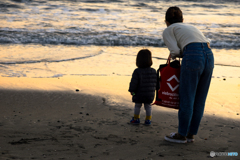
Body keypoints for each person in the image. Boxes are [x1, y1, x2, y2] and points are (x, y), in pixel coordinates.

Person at [162, 6, 214, 143]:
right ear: (182, 19)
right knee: (200, 99)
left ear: (166, 21)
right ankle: (191, 134)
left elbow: (175, 52)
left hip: (193, 56)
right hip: (209, 54)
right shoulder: (191, 27)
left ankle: (181, 135)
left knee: (187, 97)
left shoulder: (169, 29)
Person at [128, 49, 157, 125]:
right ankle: (148, 120)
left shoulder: (137, 71)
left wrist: (132, 91)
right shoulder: (154, 71)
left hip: (138, 93)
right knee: (148, 106)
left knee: (137, 105)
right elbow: (157, 83)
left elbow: (134, 83)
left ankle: (136, 119)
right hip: (150, 94)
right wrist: (157, 89)